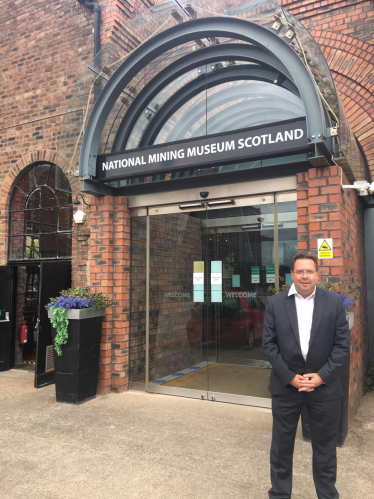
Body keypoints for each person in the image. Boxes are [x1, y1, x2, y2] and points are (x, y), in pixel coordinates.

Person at [262, 252, 350, 499]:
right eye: (299, 271)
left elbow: (342, 345)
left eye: (309, 271)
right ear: (291, 275)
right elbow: (269, 345)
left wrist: (322, 376)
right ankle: (279, 495)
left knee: (325, 448)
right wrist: (290, 376)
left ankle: (327, 494)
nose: (304, 276)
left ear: (317, 275)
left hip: (324, 389)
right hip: (286, 387)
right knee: (281, 448)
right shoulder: (276, 303)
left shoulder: (333, 303)